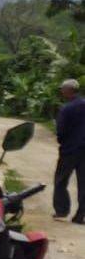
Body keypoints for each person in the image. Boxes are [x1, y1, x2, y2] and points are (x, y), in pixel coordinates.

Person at [53, 79, 85, 224]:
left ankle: (61, 211)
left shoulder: (67, 108)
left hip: (70, 150)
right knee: (83, 183)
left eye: (63, 89)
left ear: (69, 91)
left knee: (61, 180)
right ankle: (80, 215)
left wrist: (62, 142)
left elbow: (61, 131)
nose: (61, 91)